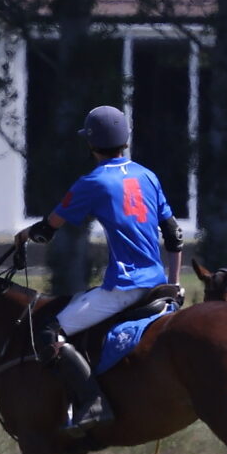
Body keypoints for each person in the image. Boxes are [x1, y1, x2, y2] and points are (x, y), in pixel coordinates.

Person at [22, 105, 181, 429]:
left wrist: (25, 235)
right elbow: (174, 235)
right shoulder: (147, 175)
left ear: (91, 144)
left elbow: (47, 229)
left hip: (125, 288)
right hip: (159, 284)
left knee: (47, 331)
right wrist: (174, 287)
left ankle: (93, 403)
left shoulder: (93, 182)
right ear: (125, 139)